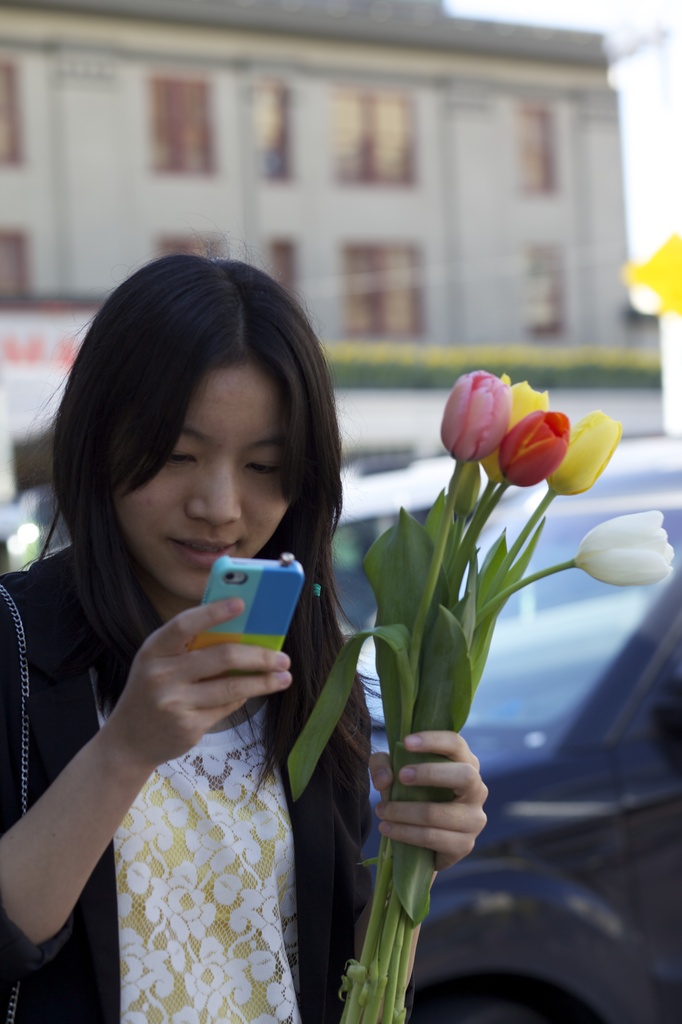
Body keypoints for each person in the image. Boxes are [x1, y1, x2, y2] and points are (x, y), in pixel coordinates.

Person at [0, 255, 488, 1024]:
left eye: (264, 465)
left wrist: (413, 862)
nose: (220, 506)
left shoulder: (319, 682)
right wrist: (123, 751)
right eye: (177, 455)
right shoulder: (15, 646)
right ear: (98, 441)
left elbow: (335, 978)